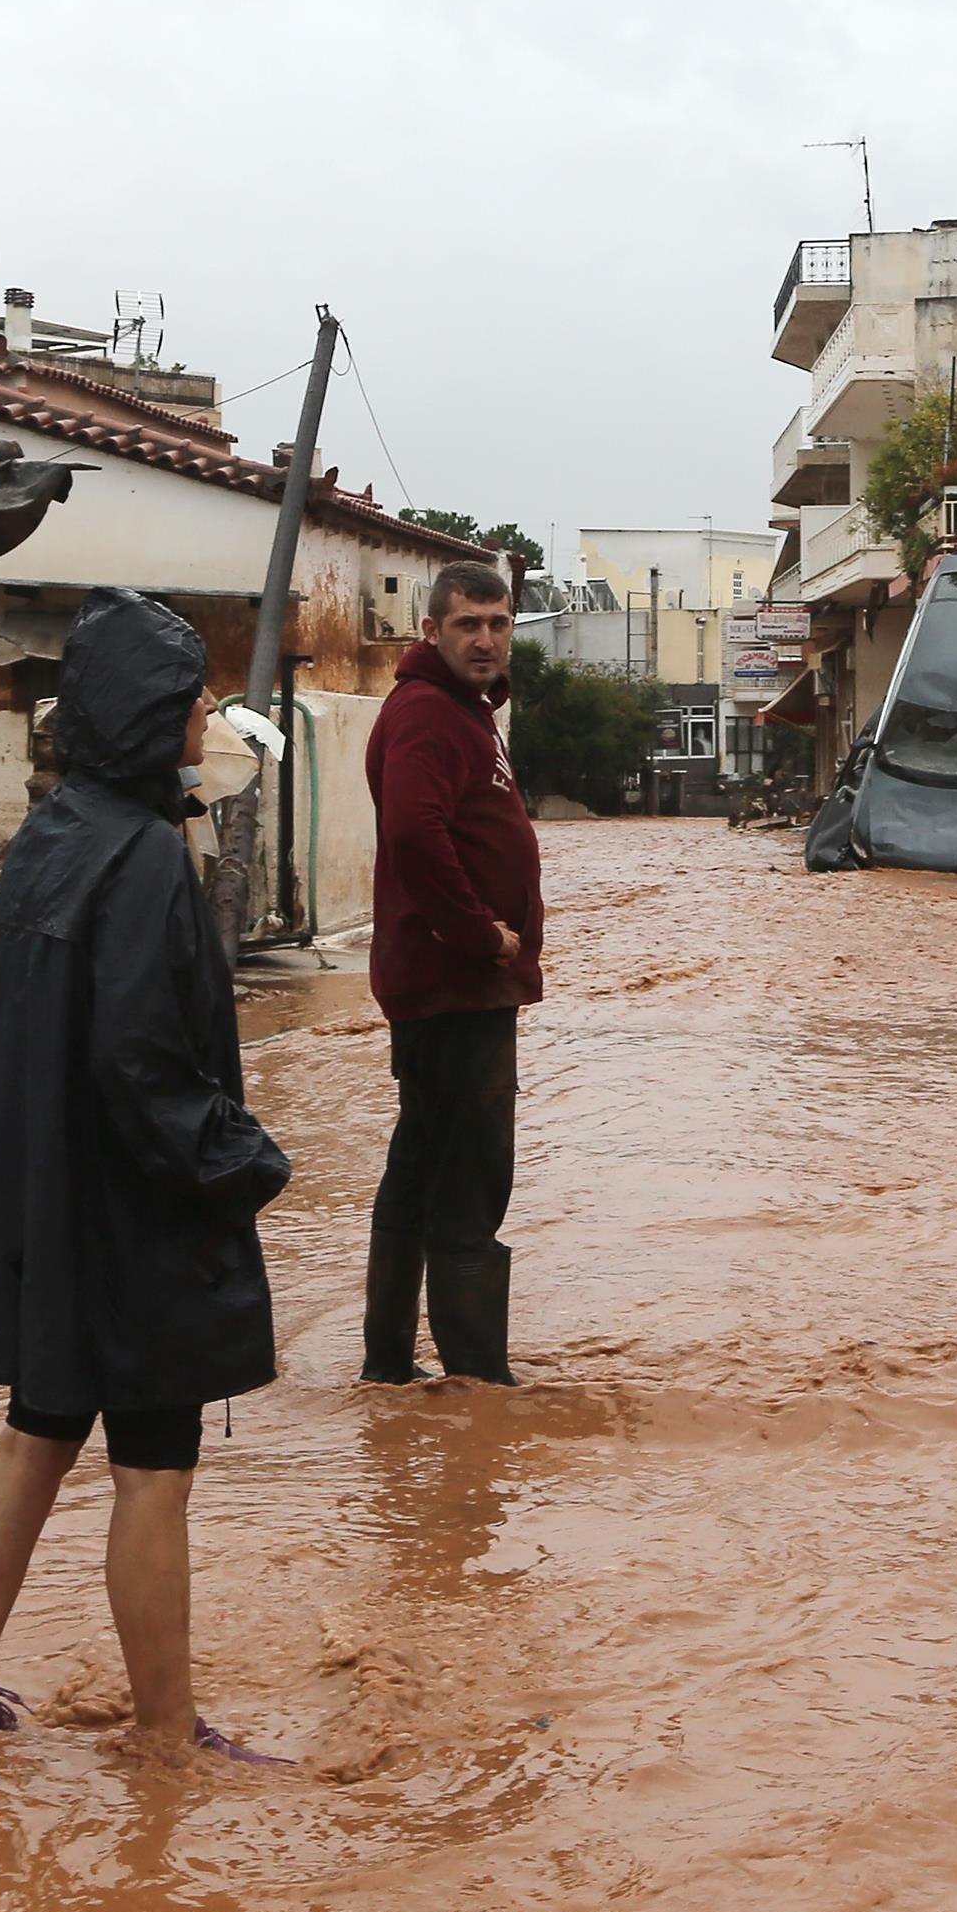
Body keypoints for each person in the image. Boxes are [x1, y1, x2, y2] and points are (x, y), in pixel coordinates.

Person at [0, 586, 291, 1762]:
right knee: (153, 1469)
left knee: (33, 1433)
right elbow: (145, 1067)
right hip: (133, 1219)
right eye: (188, 696)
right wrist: (243, 1162)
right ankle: (162, 1735)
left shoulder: (51, 838)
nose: (204, 716)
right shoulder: (140, 860)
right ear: (145, 713)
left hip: (49, 1200)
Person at [360, 561, 545, 1386]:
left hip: (444, 985)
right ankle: (479, 1387)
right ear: (430, 632)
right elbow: (415, 835)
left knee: (422, 1169)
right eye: (468, 623)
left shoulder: (460, 713)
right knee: (471, 1182)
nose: (485, 638)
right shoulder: (430, 716)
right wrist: (483, 938)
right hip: (455, 985)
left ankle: (391, 1371)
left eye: (498, 623)